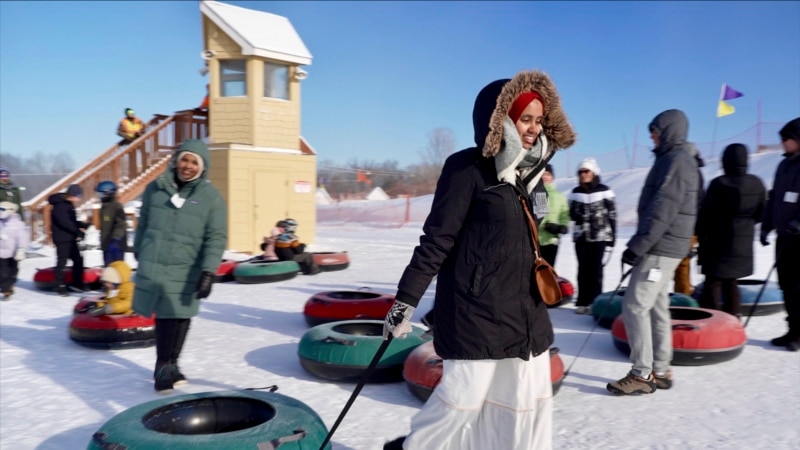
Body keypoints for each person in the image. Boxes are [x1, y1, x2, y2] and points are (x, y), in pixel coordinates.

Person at [382, 70, 576, 450]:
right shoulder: (466, 168)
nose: (534, 128)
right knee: (460, 403)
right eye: (525, 119)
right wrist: (405, 301)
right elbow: (436, 241)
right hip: (477, 314)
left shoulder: (529, 175)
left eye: (538, 120)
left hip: (525, 317)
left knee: (524, 406)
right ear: (500, 119)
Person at [607, 109, 700, 395]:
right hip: (666, 247)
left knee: (635, 306)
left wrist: (637, 246)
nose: (652, 136)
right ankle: (660, 368)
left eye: (656, 131)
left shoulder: (676, 161)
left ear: (669, 131)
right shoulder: (674, 160)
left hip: (660, 248)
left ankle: (642, 373)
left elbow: (662, 210)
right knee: (657, 306)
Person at [132, 139, 227, 392]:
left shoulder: (211, 198)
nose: (188, 166)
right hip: (156, 262)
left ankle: (172, 365)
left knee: (182, 317)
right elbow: (143, 223)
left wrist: (209, 271)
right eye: (185, 159)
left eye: (194, 162)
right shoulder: (156, 188)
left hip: (188, 268)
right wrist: (140, 249)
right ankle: (162, 368)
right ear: (176, 160)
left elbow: (216, 237)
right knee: (166, 316)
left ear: (202, 166)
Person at [696, 143, 766, 317]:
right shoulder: (757, 183)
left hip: (717, 241)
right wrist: (744, 225)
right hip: (742, 243)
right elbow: (762, 213)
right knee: (731, 282)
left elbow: (706, 214)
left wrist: (701, 234)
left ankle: (711, 320)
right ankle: (733, 318)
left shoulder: (719, 184)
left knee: (713, 282)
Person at [760, 117, 800, 351]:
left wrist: (798, 222)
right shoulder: (784, 166)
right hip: (784, 237)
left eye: (787, 139)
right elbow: (774, 198)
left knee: (797, 286)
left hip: (798, 238)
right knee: (786, 285)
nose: (783, 143)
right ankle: (792, 329)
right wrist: (766, 225)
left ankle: (798, 333)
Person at [568, 157, 616, 314]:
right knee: (582, 270)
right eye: (580, 172)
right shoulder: (575, 192)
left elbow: (612, 214)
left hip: (600, 237)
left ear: (594, 172)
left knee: (596, 271)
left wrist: (612, 238)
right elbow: (570, 213)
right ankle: (583, 302)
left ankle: (596, 303)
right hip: (581, 238)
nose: (583, 174)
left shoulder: (605, 190)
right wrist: (577, 215)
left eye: (586, 171)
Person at [672, 145, 705, 296]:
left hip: (688, 227)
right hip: (684, 226)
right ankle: (682, 295)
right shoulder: (691, 172)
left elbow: (694, 203)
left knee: (682, 265)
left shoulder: (692, 174)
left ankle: (684, 300)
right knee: (679, 266)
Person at [48, 184, 88, 296]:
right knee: (62, 261)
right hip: (62, 238)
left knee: (78, 259)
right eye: (79, 196)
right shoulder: (60, 205)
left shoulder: (68, 204)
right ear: (73, 195)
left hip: (70, 237)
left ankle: (77, 283)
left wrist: (81, 224)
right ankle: (59, 285)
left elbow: (71, 221)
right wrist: (77, 231)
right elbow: (65, 222)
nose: (79, 199)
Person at [538, 164, 570, 267]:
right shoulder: (539, 193)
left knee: (549, 271)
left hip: (552, 241)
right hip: (538, 240)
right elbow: (539, 216)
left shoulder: (559, 195)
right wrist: (546, 226)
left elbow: (564, 214)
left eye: (547, 174)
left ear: (552, 177)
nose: (545, 177)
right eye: (542, 174)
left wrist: (563, 226)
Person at [0, 201, 28, 300]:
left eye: (2, 209)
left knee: (13, 271)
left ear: (10, 211)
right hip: (1, 253)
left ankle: (10, 285)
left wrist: (21, 249)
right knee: (3, 272)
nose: (0, 212)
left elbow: (22, 238)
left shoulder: (17, 224)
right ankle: (6, 291)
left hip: (13, 253)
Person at [96, 181, 128, 265]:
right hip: (106, 245)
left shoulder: (116, 207)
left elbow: (121, 224)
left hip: (116, 246)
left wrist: (116, 238)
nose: (99, 197)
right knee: (108, 272)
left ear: (108, 193)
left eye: (101, 194)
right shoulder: (103, 208)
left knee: (116, 271)